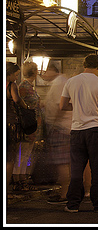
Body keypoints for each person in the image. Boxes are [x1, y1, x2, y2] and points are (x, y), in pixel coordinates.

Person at [60, 54, 98, 213]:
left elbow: (62, 105)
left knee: (76, 169)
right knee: (97, 168)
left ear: (84, 65)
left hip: (77, 130)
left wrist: (76, 108)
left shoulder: (71, 81)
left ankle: (73, 204)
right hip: (96, 129)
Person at [43, 62, 73, 204]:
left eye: (44, 70)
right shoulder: (64, 81)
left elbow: (58, 107)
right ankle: (68, 191)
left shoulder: (58, 83)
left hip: (61, 127)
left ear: (51, 70)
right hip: (67, 127)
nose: (42, 74)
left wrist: (53, 124)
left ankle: (65, 194)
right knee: (66, 162)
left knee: (62, 162)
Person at [14, 61, 42, 192]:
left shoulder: (26, 86)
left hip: (30, 124)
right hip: (28, 125)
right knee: (23, 153)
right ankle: (20, 179)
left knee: (25, 153)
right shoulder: (24, 87)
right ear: (35, 72)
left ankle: (22, 178)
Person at [6, 62, 29, 198]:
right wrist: (25, 106)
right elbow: (17, 99)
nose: (16, 77)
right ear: (9, 73)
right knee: (9, 159)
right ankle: (6, 191)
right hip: (10, 124)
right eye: (15, 75)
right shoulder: (11, 85)